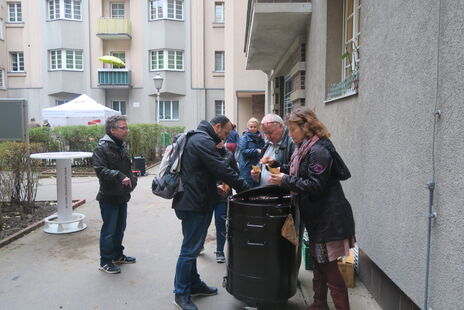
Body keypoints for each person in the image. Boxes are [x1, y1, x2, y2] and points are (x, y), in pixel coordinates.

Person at [266, 108, 355, 310]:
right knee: (318, 262)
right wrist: (276, 165)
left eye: (292, 129)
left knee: (329, 267)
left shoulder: (319, 151)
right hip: (318, 217)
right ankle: (319, 304)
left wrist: (285, 180)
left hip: (329, 219)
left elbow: (315, 185)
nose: (290, 134)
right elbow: (298, 169)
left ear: (305, 127)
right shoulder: (305, 148)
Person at [172, 115, 249, 310]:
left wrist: (212, 187)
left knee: (193, 246)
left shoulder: (199, 138)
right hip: (193, 204)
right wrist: (246, 190)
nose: (225, 138)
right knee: (189, 250)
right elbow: (221, 168)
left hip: (196, 199)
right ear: (216, 126)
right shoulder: (203, 140)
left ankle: (194, 283)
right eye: (225, 132)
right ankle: (181, 293)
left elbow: (200, 172)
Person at [92, 115, 138, 274]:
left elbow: (127, 168)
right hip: (108, 196)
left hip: (122, 194)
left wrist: (132, 179)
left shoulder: (121, 146)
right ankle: (105, 261)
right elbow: (100, 171)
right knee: (109, 230)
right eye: (123, 128)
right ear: (112, 130)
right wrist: (118, 175)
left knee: (120, 228)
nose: (127, 130)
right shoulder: (101, 148)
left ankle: (118, 255)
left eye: (126, 127)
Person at [206, 140, 239, 264]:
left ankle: (220, 251)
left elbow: (236, 173)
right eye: (216, 140)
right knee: (204, 223)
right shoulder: (206, 153)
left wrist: (228, 185)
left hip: (223, 197)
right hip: (208, 195)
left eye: (221, 140)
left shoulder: (229, 155)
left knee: (221, 223)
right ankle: (198, 246)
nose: (219, 142)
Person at [250, 114, 295, 185]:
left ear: (280, 126)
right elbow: (262, 163)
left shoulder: (292, 143)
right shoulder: (268, 143)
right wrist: (257, 172)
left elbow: (294, 170)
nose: (268, 136)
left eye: (270, 132)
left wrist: (283, 178)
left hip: (281, 193)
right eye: (265, 133)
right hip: (266, 192)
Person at [238, 117, 264, 187]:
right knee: (248, 186)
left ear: (257, 127)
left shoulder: (260, 138)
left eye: (255, 127)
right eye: (251, 127)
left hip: (257, 165)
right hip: (246, 166)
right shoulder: (244, 137)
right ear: (248, 127)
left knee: (257, 186)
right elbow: (243, 151)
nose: (252, 128)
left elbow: (263, 150)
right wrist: (256, 151)